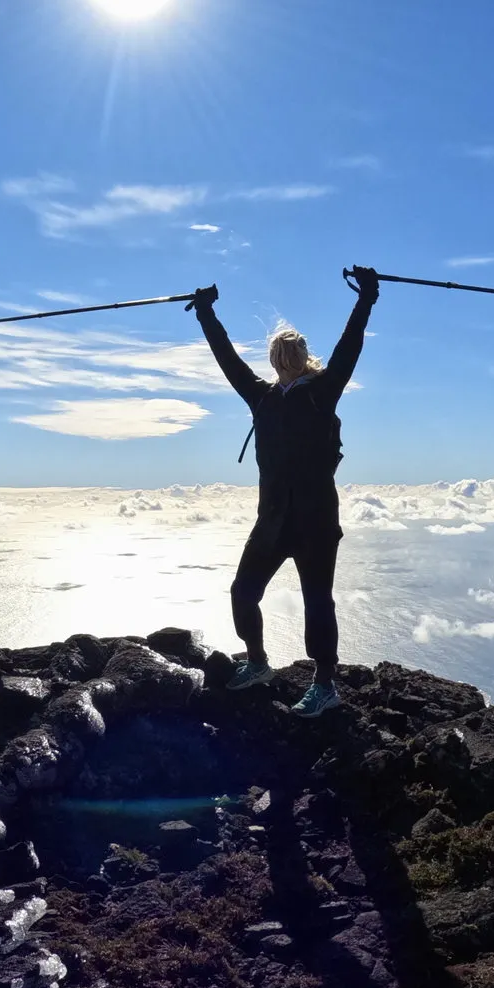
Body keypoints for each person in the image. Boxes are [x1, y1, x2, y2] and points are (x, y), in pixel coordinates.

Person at [188, 267, 378, 716]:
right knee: (242, 592)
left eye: (291, 354)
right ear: (275, 360)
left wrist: (366, 297)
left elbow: (349, 346)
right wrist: (206, 315)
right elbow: (228, 359)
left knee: (317, 601)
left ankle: (325, 684)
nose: (285, 361)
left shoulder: (322, 392)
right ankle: (257, 663)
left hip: (314, 523)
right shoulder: (262, 397)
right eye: (281, 354)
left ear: (301, 358)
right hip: (272, 521)